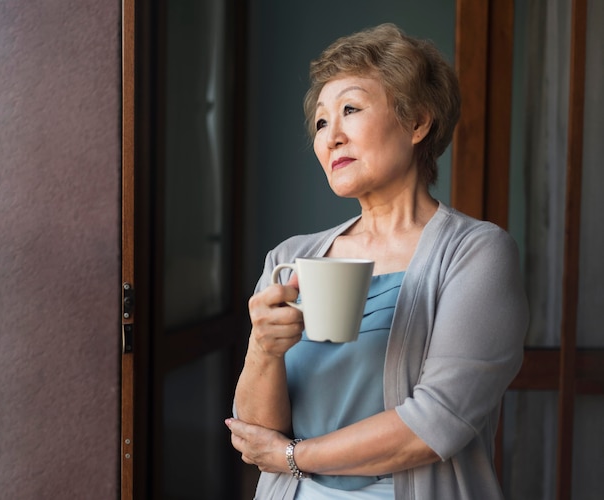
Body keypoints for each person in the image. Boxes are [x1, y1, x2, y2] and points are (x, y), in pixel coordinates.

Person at [226, 23, 529, 499]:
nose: (331, 136)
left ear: (417, 123)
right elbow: (257, 431)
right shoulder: (290, 258)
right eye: (322, 122)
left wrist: (293, 457)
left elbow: (433, 424)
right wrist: (262, 349)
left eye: (350, 109)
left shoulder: (475, 253)